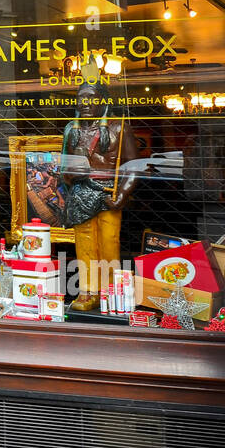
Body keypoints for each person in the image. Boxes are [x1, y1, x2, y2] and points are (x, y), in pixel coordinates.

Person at [60, 81, 138, 310]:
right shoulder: (71, 129)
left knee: (109, 242)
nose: (85, 103)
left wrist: (122, 193)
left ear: (103, 101)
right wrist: (72, 173)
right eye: (81, 97)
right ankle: (88, 292)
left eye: (91, 97)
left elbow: (134, 166)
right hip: (81, 192)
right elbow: (64, 166)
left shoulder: (119, 128)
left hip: (108, 192)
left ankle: (110, 292)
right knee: (84, 244)